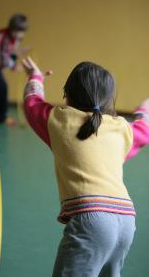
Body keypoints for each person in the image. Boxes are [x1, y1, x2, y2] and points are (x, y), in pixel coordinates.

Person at [22, 57, 149, 277]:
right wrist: (144, 108)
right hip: (127, 220)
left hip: (91, 220)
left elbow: (32, 102)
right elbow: (144, 128)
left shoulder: (58, 121)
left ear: (66, 95)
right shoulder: (120, 129)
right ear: (110, 99)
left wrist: (36, 77)